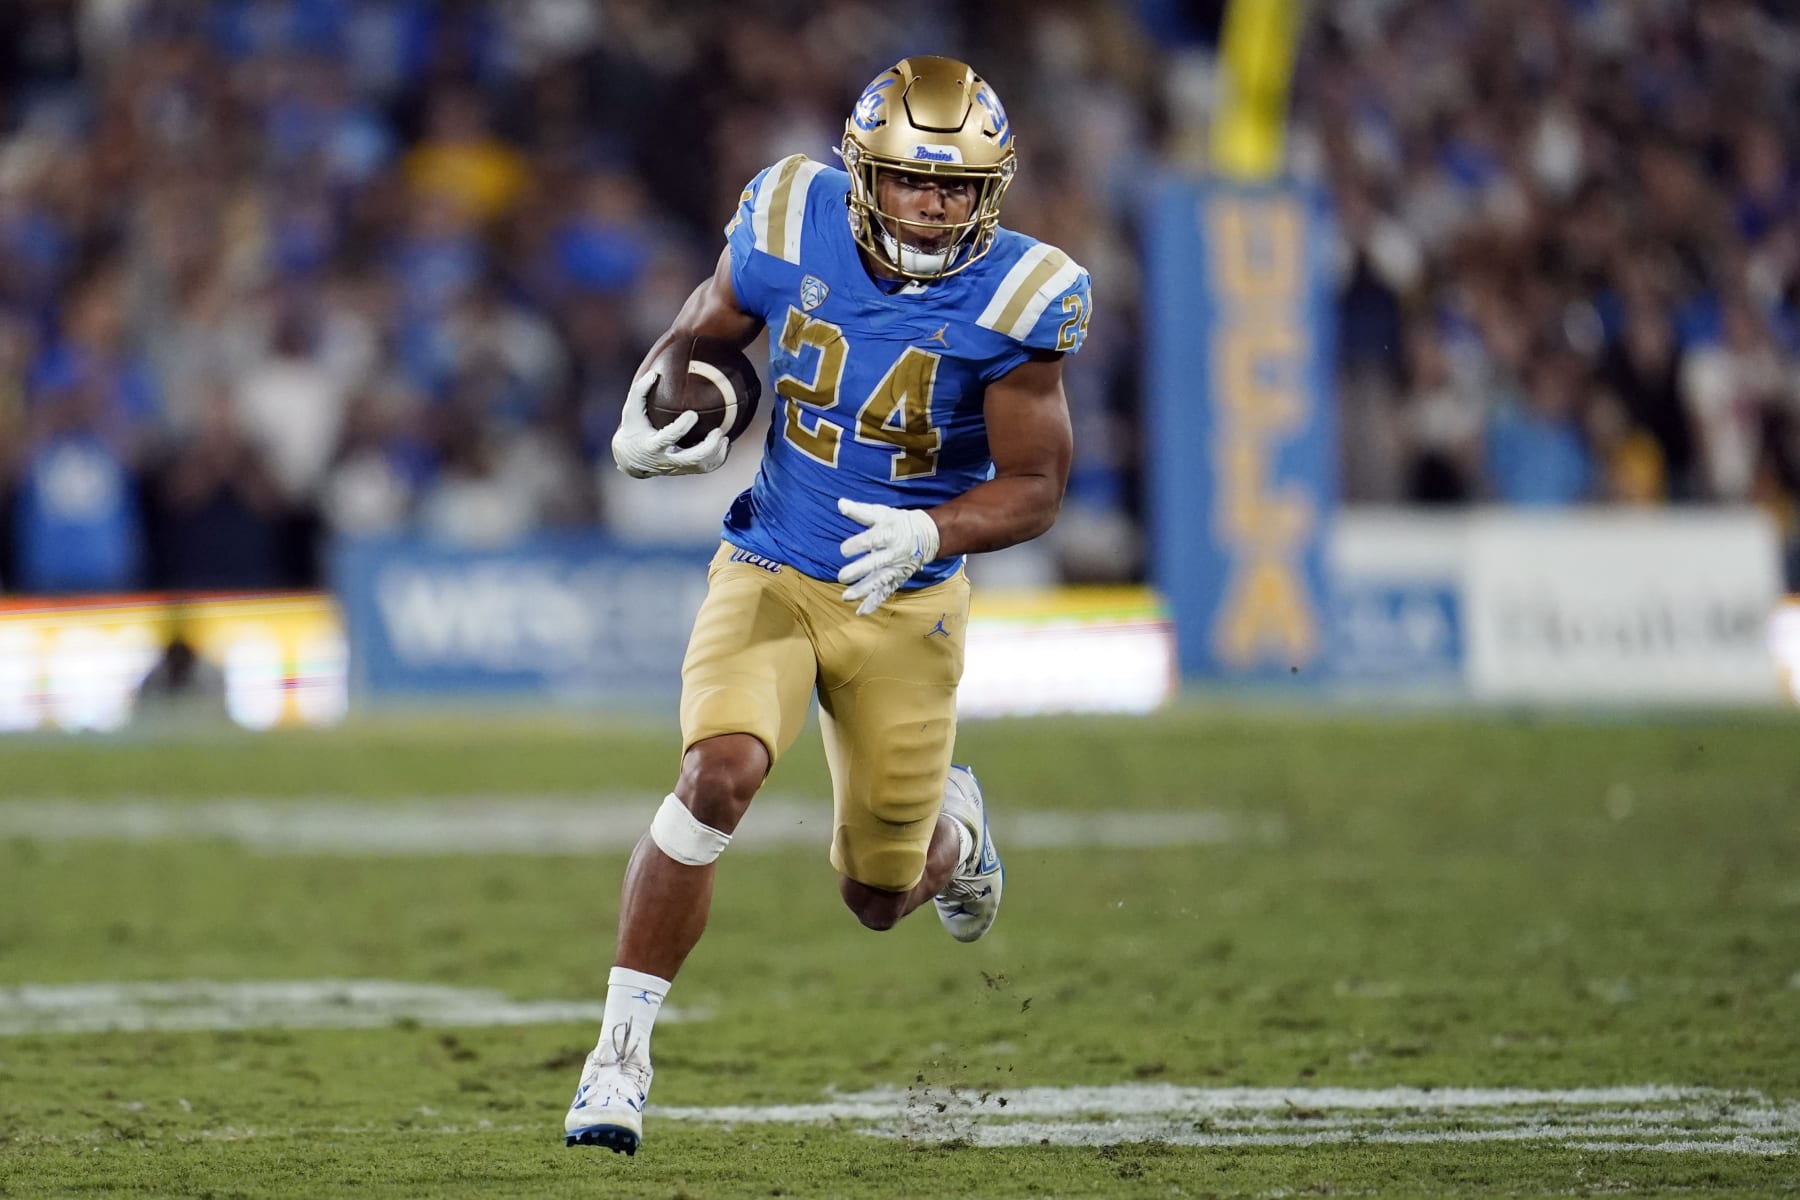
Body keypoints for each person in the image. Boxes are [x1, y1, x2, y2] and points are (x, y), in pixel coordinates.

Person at [563, 56, 1092, 1156]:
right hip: (772, 562)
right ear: (863, 177)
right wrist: (644, 403)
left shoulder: (1021, 296)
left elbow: (1037, 488)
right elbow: (709, 328)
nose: (937, 205)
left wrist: (931, 532)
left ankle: (961, 827)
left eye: (957, 187)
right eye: (913, 181)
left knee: (878, 896)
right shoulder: (789, 214)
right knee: (718, 775)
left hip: (907, 605)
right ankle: (617, 1062)